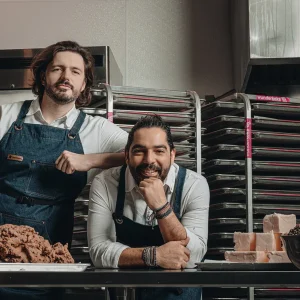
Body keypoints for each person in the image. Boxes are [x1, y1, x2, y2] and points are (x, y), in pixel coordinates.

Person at [0, 40, 128, 299]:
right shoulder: (6, 115)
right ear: (43, 75)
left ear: (83, 84)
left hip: (49, 257)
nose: (66, 77)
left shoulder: (96, 129)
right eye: (58, 69)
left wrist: (90, 160)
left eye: (75, 71)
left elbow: (146, 154)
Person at [88, 115, 210, 300]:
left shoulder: (194, 185)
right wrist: (153, 255)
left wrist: (162, 207)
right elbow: (98, 251)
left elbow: (193, 256)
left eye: (159, 151)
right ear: (127, 156)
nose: (149, 160)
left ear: (172, 155)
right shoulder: (105, 183)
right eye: (139, 151)